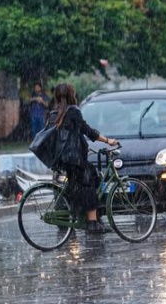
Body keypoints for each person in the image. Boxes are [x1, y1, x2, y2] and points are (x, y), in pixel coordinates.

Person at [51, 83, 118, 234]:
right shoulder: (73, 111)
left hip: (64, 159)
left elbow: (68, 135)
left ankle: (87, 215)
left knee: (87, 178)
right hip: (75, 159)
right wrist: (108, 141)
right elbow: (88, 131)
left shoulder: (55, 113)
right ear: (71, 95)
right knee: (88, 183)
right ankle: (92, 222)